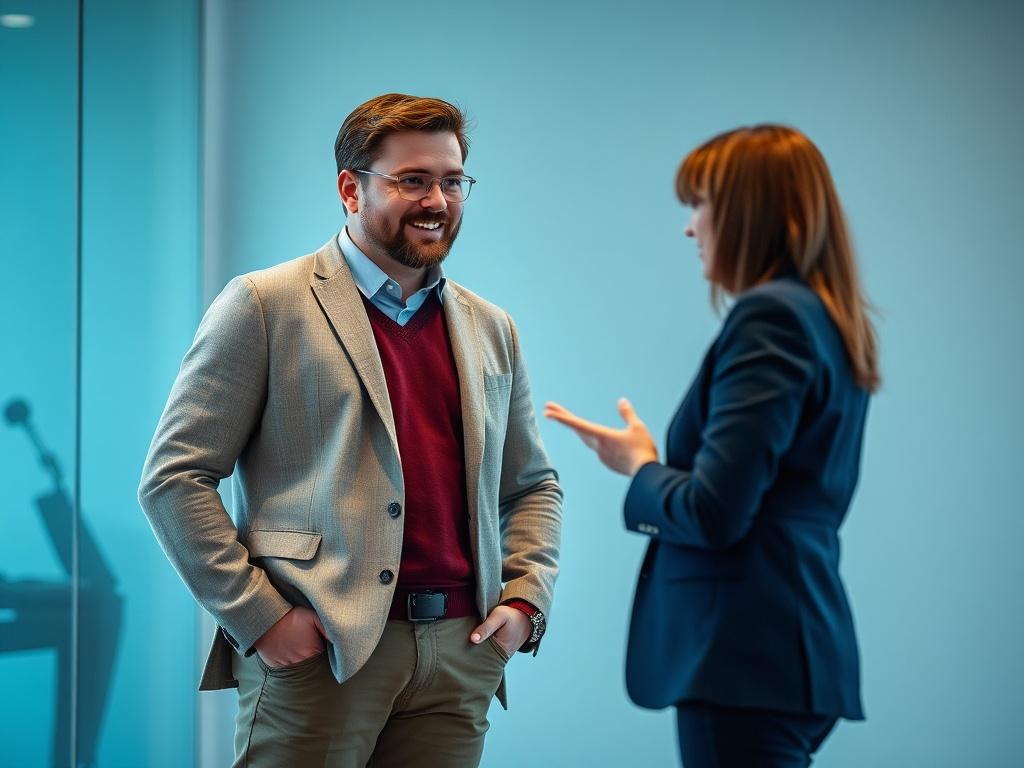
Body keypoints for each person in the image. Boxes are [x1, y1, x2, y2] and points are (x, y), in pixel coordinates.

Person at [138, 93, 562, 768]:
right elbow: (173, 480)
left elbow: (533, 485)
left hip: (460, 656)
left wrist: (525, 601)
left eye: (452, 182)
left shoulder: (491, 326)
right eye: (412, 180)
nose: (437, 201)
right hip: (322, 655)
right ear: (349, 188)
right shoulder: (263, 304)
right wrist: (260, 618)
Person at [545, 124, 878, 767]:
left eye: (701, 205)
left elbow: (715, 511)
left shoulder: (770, 318)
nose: (690, 228)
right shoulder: (826, 318)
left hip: (744, 658)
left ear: (749, 213)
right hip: (792, 653)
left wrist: (639, 467)